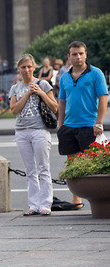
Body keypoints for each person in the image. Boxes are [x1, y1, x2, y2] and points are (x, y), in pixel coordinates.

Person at [57, 41, 108, 209]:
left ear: (86, 54)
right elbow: (62, 102)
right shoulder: (64, 77)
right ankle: (76, 199)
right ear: (69, 57)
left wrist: (99, 123)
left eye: (81, 53)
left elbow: (103, 98)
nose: (78, 57)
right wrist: (60, 124)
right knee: (72, 163)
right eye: (74, 54)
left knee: (91, 164)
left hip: (89, 125)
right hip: (69, 126)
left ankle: (98, 200)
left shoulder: (96, 73)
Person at [9, 54, 58, 216]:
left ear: (34, 67)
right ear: (18, 69)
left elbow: (54, 107)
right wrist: (28, 94)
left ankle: (45, 204)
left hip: (39, 130)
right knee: (30, 170)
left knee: (43, 168)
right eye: (23, 67)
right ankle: (33, 205)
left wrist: (40, 93)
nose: (26, 70)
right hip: (22, 131)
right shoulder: (15, 88)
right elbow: (14, 110)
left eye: (29, 66)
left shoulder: (42, 83)